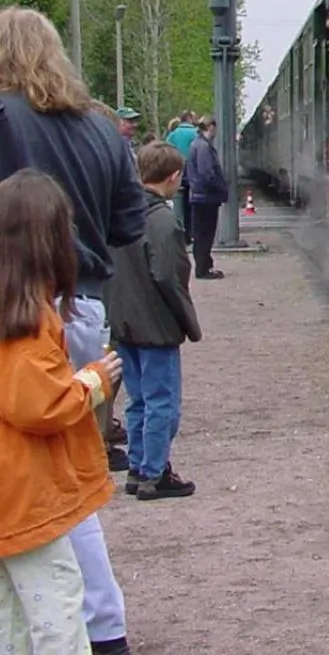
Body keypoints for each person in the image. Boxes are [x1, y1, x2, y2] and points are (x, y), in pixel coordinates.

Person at [0, 7, 140, 655]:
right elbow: (129, 225)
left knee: (30, 481)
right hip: (83, 307)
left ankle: (59, 628)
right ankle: (101, 624)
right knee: (69, 477)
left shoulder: (4, 119)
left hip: (18, 310)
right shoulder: (104, 130)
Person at [0, 168, 125, 655]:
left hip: (11, 496)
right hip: (25, 496)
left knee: (11, 612)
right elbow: (41, 408)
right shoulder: (28, 323)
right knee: (59, 606)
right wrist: (94, 380)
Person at [108, 142, 201, 501]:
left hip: (125, 321)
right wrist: (187, 320)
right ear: (174, 176)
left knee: (137, 400)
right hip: (155, 324)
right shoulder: (162, 220)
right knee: (163, 401)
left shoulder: (121, 213)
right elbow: (168, 275)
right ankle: (154, 472)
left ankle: (136, 466)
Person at [184, 115, 229, 279]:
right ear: (211, 127)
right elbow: (206, 173)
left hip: (200, 196)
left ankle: (204, 266)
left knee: (202, 234)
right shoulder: (203, 147)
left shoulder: (198, 144)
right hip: (205, 197)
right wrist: (220, 187)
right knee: (205, 234)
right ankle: (203, 269)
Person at [165, 112, 200, 242]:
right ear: (190, 119)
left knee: (178, 205)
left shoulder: (172, 135)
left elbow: (166, 150)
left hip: (176, 172)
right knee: (192, 205)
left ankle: (181, 234)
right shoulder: (196, 134)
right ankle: (191, 233)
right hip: (192, 173)